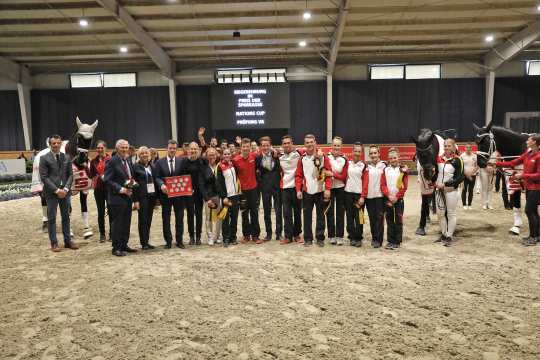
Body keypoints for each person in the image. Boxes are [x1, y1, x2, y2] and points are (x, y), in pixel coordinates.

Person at [497, 134, 540, 246]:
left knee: (529, 211)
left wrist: (523, 175)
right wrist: (496, 164)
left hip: (536, 188)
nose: (527, 141)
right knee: (534, 211)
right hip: (529, 188)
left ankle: (533, 237)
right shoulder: (528, 154)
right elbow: (512, 163)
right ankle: (536, 235)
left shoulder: (538, 156)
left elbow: (539, 175)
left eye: (529, 139)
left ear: (534, 142)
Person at [39, 135, 78, 252]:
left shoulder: (66, 157)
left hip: (65, 193)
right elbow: (44, 177)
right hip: (51, 193)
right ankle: (54, 243)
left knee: (66, 216)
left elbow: (71, 175)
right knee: (51, 218)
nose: (56, 145)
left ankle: (67, 241)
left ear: (61, 144)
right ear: (50, 144)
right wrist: (57, 190)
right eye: (53, 143)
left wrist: (65, 189)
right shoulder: (44, 158)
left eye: (58, 143)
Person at [295, 134, 332, 247]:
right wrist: (298, 190)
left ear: (315, 142)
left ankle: (320, 238)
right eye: (307, 142)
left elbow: (329, 173)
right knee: (307, 217)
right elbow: (298, 176)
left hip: (320, 191)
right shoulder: (302, 159)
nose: (310, 144)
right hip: (307, 192)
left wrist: (327, 189)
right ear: (305, 144)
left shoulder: (323, 157)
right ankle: (308, 239)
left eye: (311, 142)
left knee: (321, 216)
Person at [104, 139, 137, 256]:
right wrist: (121, 189)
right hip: (116, 198)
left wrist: (132, 185)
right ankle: (116, 248)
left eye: (126, 147)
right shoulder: (112, 161)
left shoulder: (127, 160)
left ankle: (124, 244)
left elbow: (129, 177)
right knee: (117, 224)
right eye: (122, 147)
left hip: (128, 197)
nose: (124, 149)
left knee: (126, 222)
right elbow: (107, 180)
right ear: (117, 149)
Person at [154, 140, 187, 249]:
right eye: (170, 148)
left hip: (179, 196)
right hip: (165, 195)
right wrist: (161, 185)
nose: (172, 150)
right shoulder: (159, 162)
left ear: (176, 149)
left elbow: (184, 177)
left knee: (179, 218)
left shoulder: (181, 161)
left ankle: (179, 240)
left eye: (174, 148)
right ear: (166, 149)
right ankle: (168, 241)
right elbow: (157, 177)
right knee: (166, 218)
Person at [434, 138, 464, 247]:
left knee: (451, 213)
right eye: (445, 146)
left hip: (451, 191)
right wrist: (433, 182)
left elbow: (460, 178)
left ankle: (449, 236)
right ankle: (443, 234)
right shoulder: (438, 159)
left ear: (453, 147)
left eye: (449, 146)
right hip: (439, 190)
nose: (446, 148)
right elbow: (435, 173)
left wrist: (445, 184)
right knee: (440, 214)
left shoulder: (458, 160)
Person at [184, 142, 214, 245]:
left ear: (198, 150)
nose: (193, 151)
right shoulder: (184, 162)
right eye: (191, 149)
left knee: (199, 214)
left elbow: (207, 176)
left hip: (199, 192)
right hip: (188, 193)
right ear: (188, 150)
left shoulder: (203, 161)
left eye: (195, 149)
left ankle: (198, 237)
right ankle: (191, 236)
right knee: (190, 214)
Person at [233, 138, 261, 244]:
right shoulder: (235, 160)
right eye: (244, 147)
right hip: (242, 192)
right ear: (241, 148)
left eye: (247, 147)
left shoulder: (254, 156)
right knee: (244, 214)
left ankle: (255, 236)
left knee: (254, 213)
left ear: (250, 148)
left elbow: (264, 153)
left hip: (254, 190)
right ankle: (246, 235)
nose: (245, 148)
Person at [256, 136, 282, 241]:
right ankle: (269, 234)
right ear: (260, 147)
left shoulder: (276, 156)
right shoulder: (257, 159)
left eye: (267, 145)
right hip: (265, 188)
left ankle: (279, 233)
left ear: (270, 146)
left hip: (277, 187)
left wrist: (277, 154)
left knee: (278, 211)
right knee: (266, 212)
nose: (265, 147)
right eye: (263, 145)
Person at [381, 149, 408, 250]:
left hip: (398, 200)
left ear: (398, 158)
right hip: (388, 199)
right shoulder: (386, 170)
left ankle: (397, 241)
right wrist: (388, 195)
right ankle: (390, 241)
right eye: (391, 158)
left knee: (398, 220)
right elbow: (383, 184)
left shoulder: (402, 170)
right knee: (389, 220)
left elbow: (404, 186)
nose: (393, 160)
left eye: (395, 158)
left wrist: (397, 197)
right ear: (388, 159)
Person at [279, 135, 303, 244]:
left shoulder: (299, 153)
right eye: (284, 143)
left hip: (297, 188)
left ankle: (297, 234)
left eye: (288, 143)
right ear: (282, 145)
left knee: (297, 212)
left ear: (292, 143)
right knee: (287, 213)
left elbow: (311, 149)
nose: (287, 145)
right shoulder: (279, 156)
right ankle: (288, 236)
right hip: (285, 188)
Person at [361, 146, 386, 248]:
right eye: (371, 153)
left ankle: (379, 240)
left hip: (380, 197)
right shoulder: (366, 167)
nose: (373, 155)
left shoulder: (384, 166)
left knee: (379, 219)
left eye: (375, 153)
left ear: (379, 154)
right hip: (369, 198)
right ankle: (374, 238)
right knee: (372, 219)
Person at [132, 146, 157, 250]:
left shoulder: (152, 166)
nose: (144, 155)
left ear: (149, 155)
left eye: (146, 153)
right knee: (143, 220)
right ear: (139, 155)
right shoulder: (135, 167)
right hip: (141, 197)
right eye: (142, 153)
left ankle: (147, 241)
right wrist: (135, 200)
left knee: (149, 219)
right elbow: (133, 185)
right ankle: (143, 243)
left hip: (151, 196)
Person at [216, 148, 241, 247]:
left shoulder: (233, 164)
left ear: (231, 155)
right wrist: (224, 196)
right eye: (225, 154)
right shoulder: (220, 167)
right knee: (225, 218)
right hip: (226, 197)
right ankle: (226, 238)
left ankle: (233, 237)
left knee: (234, 217)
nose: (226, 155)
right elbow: (219, 184)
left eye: (228, 154)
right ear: (222, 155)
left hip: (235, 195)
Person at [326, 136, 348, 245]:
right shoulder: (326, 157)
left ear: (341, 147)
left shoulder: (344, 159)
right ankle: (331, 236)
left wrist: (333, 174)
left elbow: (343, 176)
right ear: (331, 146)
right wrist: (333, 174)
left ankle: (339, 236)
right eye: (334, 145)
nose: (336, 147)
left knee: (340, 212)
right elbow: (325, 172)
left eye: (338, 145)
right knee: (330, 212)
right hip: (329, 188)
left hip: (340, 188)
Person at [344, 142, 366, 247]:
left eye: (359, 151)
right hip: (348, 194)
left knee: (359, 218)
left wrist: (362, 196)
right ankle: (351, 237)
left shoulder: (364, 166)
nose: (357, 153)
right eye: (355, 151)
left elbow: (366, 182)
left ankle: (359, 238)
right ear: (352, 152)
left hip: (358, 196)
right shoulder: (347, 163)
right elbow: (342, 176)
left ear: (361, 153)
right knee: (349, 217)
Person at [89, 140, 112, 242]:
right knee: (100, 212)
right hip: (98, 189)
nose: (99, 149)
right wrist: (86, 168)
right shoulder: (93, 161)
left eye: (101, 147)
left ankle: (112, 233)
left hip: (109, 188)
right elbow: (91, 175)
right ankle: (102, 234)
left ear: (105, 148)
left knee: (111, 211)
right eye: (98, 148)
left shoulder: (110, 159)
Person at [205, 147, 222, 245]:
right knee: (209, 218)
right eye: (210, 155)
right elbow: (202, 184)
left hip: (218, 196)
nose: (212, 157)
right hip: (208, 197)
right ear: (207, 156)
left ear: (216, 156)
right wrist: (207, 198)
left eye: (213, 155)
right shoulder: (204, 168)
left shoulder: (219, 166)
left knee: (219, 217)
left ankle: (218, 236)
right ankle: (210, 236)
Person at [415, 160, 435, 236]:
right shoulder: (420, 160)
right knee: (425, 201)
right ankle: (422, 224)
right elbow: (419, 168)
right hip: (424, 178)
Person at [460, 144, 478, 210]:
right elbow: (461, 166)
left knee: (471, 190)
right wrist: (467, 174)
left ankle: (470, 204)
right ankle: (464, 204)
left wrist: (471, 173)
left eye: (469, 147)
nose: (468, 148)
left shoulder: (475, 156)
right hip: (464, 175)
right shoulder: (462, 156)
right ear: (465, 148)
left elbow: (477, 166)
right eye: (467, 147)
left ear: (471, 148)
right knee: (464, 189)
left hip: (473, 175)